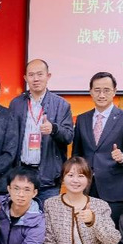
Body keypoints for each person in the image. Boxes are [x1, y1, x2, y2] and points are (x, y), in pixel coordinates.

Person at [44, 157, 121, 244]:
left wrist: (93, 221)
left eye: (81, 176)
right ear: (63, 178)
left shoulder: (100, 205)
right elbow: (50, 242)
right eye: (70, 175)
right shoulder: (51, 205)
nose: (75, 180)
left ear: (88, 180)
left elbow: (113, 240)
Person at [72, 71, 123, 225]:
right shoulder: (82, 119)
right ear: (91, 92)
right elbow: (77, 154)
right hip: (86, 188)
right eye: (97, 90)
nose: (101, 95)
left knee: (113, 233)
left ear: (114, 91)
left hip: (115, 190)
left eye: (106, 90)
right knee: (87, 231)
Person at [9, 59, 74, 203]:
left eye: (40, 74)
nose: (36, 79)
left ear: (48, 76)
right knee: (23, 215)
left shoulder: (61, 105)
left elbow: (69, 136)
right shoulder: (16, 104)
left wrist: (54, 129)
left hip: (48, 177)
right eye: (31, 75)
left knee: (48, 215)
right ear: (25, 78)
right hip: (21, 174)